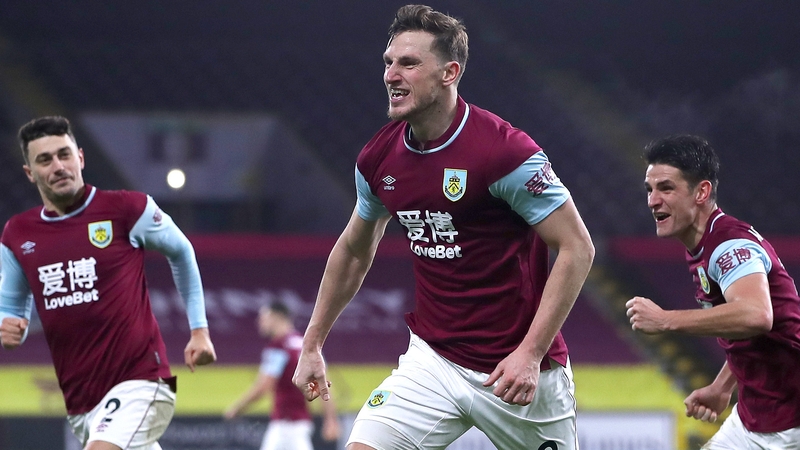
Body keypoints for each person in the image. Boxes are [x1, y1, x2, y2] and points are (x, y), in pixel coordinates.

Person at [292, 5, 595, 450]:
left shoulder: (505, 152)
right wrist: (313, 343)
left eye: (409, 63)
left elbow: (577, 248)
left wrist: (530, 353)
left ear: (449, 72)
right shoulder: (378, 159)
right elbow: (355, 250)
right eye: (388, 62)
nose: (391, 75)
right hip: (432, 361)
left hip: (516, 373)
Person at [0, 116, 217, 450]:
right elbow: (12, 310)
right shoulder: (18, 234)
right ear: (30, 173)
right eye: (45, 160)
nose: (58, 166)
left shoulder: (126, 208)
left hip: (142, 384)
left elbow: (181, 251)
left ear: (80, 158)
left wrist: (199, 330)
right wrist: (8, 326)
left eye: (64, 154)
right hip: (82, 403)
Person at [626, 135, 800, 448]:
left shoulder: (729, 245)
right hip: (756, 416)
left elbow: (756, 315)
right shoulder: (704, 245)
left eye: (666, 188)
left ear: (701, 192)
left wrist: (666, 320)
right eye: (650, 190)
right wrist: (722, 387)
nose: (652, 200)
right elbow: (750, 333)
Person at [224, 302, 340, 450]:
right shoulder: (307, 346)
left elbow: (264, 386)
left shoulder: (278, 347)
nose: (260, 322)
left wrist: (236, 409)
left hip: (285, 426)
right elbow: (323, 386)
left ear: (277, 317)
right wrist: (331, 420)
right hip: (300, 423)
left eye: (264, 317)